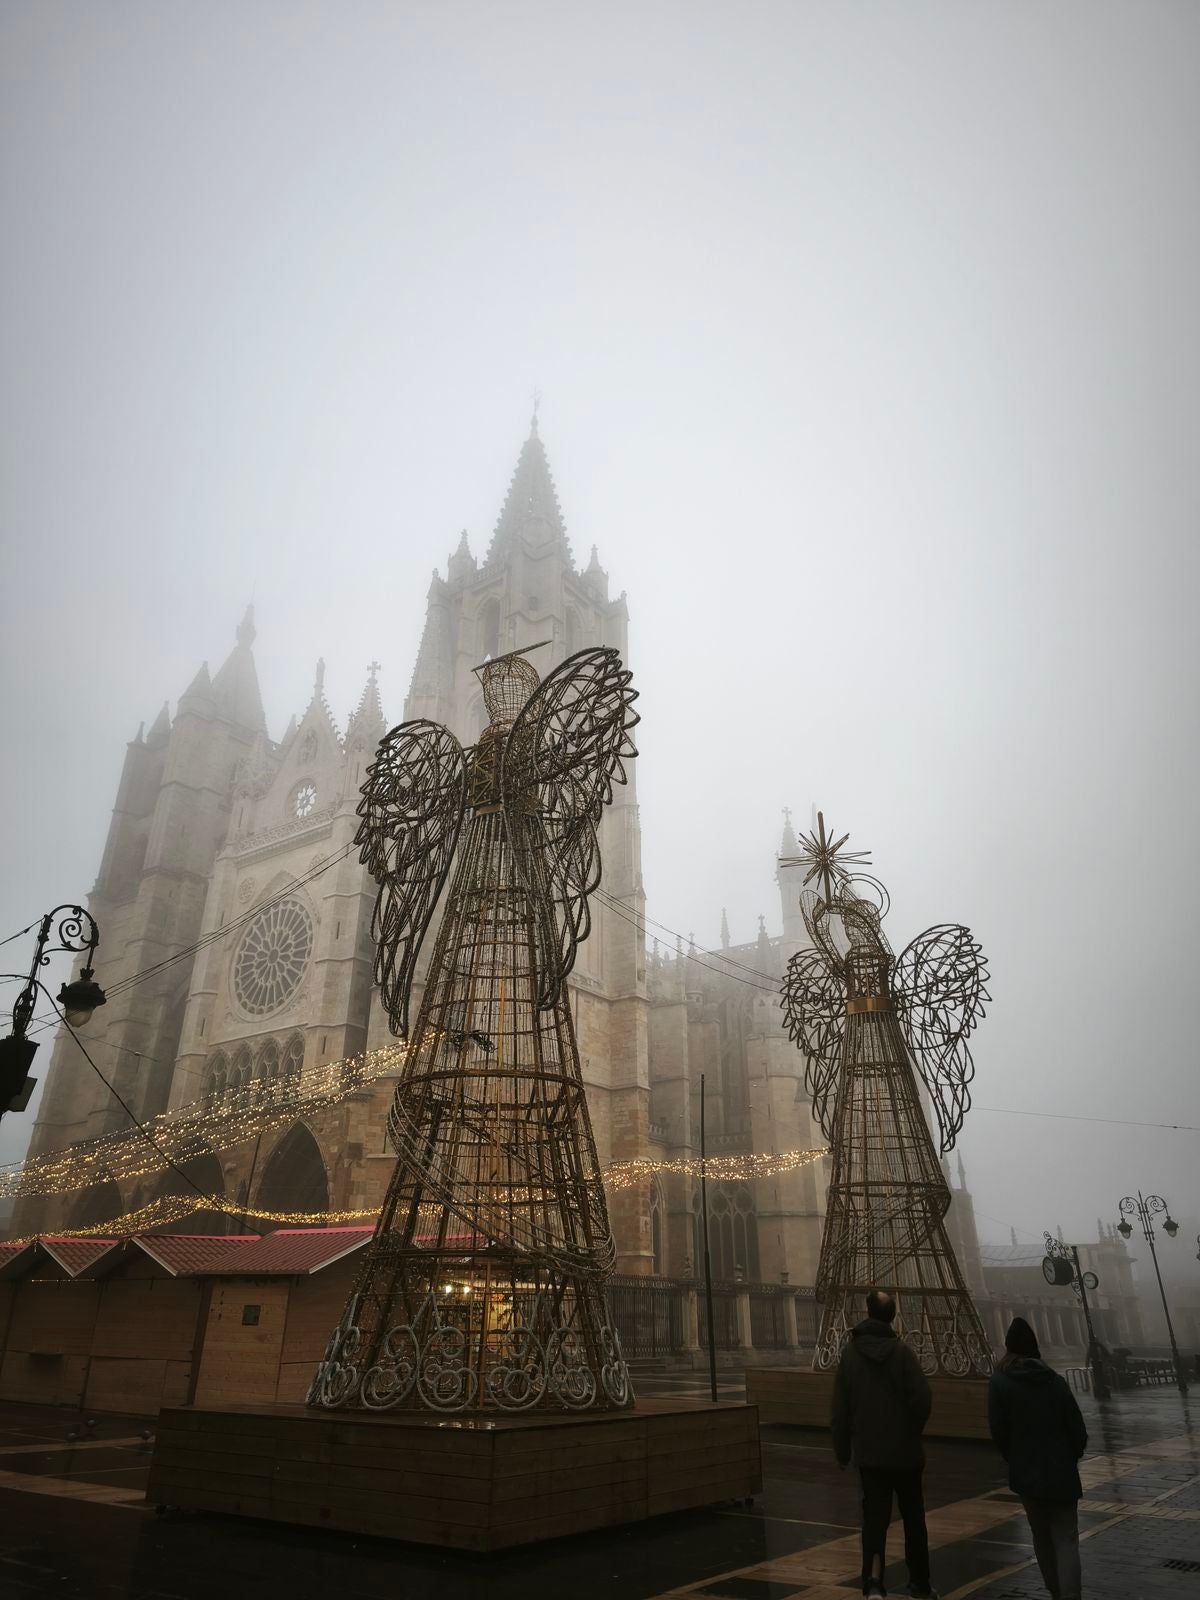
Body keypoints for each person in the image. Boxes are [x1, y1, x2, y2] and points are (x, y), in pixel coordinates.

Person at [832, 1289, 937, 1600]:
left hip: (871, 1455)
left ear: (867, 1313)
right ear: (891, 1317)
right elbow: (923, 1399)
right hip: (905, 1454)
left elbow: (839, 1410)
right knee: (914, 1520)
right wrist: (910, 1430)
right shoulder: (902, 1352)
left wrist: (842, 1450)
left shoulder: (850, 1355)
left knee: (875, 1521)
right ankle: (919, 1582)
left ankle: (874, 1582)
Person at [988, 1317, 1087, 1600]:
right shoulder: (1054, 1380)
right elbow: (1077, 1429)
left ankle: (1055, 1590)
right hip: (1062, 1471)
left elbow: (998, 1430)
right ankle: (1071, 1594)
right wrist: (1070, 1456)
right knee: (1066, 1538)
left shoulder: (999, 1382)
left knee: (1041, 1537)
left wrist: (1015, 1457)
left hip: (1027, 1472)